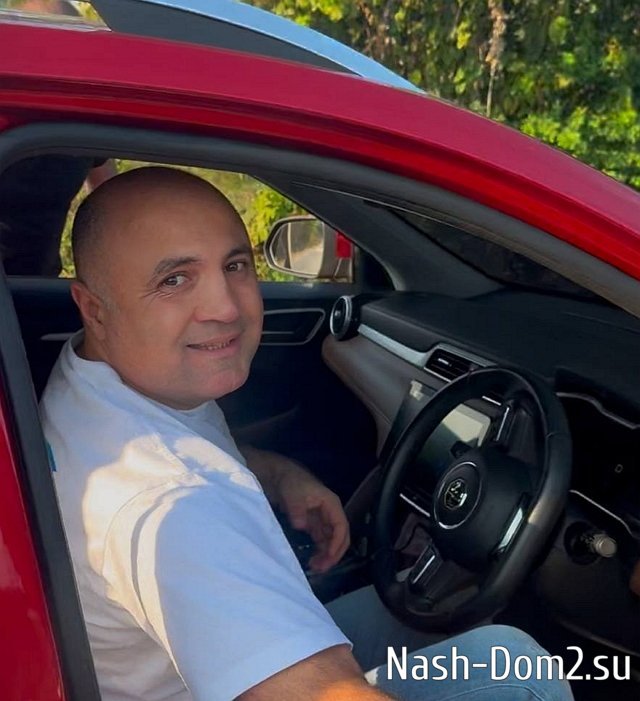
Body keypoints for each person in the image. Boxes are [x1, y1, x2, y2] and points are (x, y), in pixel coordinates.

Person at [40, 167, 573, 701]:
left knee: (425, 602)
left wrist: (278, 476)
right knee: (518, 670)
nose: (226, 308)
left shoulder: (95, 384)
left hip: (169, 664)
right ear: (93, 308)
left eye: (235, 266)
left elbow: (183, 452)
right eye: (174, 280)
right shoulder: (178, 505)